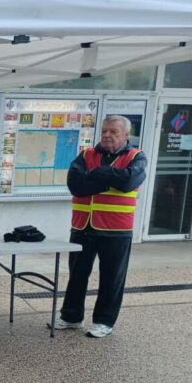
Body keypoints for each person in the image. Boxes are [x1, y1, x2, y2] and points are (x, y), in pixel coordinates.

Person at [54, 115, 147, 338]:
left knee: (112, 277)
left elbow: (128, 182)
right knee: (77, 275)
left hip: (116, 230)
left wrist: (96, 174)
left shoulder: (137, 157)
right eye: (104, 131)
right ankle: (71, 317)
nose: (106, 135)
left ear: (126, 135)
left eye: (113, 132)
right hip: (82, 226)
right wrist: (111, 180)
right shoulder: (87, 154)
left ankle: (104, 321)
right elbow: (76, 185)